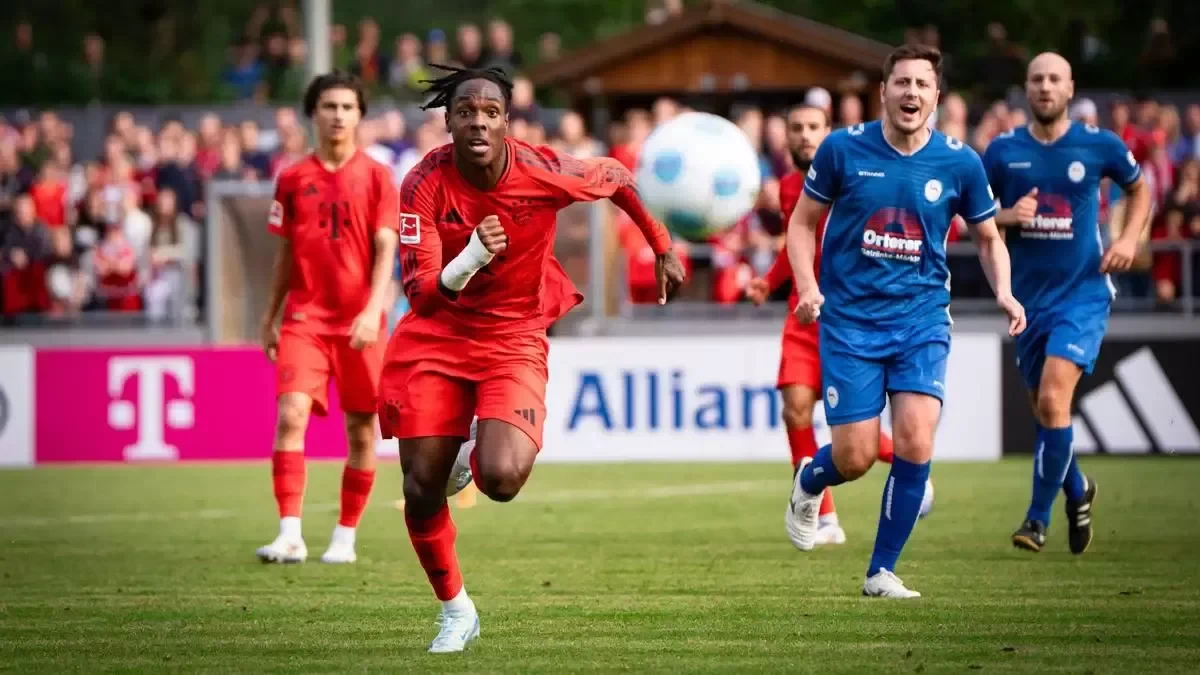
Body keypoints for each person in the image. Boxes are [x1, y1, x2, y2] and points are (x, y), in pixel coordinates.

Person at [381, 64, 685, 653]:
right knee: (420, 488)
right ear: (448, 121)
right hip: (438, 335)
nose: (477, 121)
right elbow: (419, 294)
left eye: (490, 112)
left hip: (512, 337)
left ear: (506, 123)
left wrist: (662, 245)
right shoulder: (422, 182)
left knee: (502, 479)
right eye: (465, 111)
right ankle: (455, 610)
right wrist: (469, 256)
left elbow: (618, 176)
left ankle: (471, 445)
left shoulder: (542, 168)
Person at [783, 44, 1026, 598]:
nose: (911, 93)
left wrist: (1006, 294)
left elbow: (989, 240)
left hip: (921, 320)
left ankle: (880, 572)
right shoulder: (843, 149)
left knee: (916, 439)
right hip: (850, 323)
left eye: (922, 84)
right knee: (856, 456)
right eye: (902, 83)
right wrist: (807, 286)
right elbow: (801, 224)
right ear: (884, 92)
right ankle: (810, 480)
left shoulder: (961, 162)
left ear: (936, 96)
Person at [982, 53, 1149, 554]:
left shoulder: (1098, 144)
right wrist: (1009, 214)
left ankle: (1037, 520)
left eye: (1054, 78)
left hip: (1082, 292)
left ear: (1070, 87)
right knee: (1045, 411)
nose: (1046, 86)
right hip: (1026, 300)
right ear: (1026, 89)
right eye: (1037, 79)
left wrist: (1128, 240)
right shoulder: (1001, 151)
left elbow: (1139, 190)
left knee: (1055, 399)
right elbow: (975, 216)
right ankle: (1077, 488)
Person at [746, 104, 917, 549]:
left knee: (852, 431)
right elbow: (796, 242)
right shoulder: (787, 187)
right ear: (785, 137)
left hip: (849, 315)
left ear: (830, 133)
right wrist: (769, 281)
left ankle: (909, 464)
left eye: (813, 128)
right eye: (796, 128)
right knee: (795, 409)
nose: (805, 136)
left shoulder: (855, 179)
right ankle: (822, 516)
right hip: (802, 312)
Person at [256, 71, 400, 565]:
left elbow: (387, 248)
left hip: (361, 325)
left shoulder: (379, 177)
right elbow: (284, 255)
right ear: (313, 114)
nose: (338, 115)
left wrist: (372, 310)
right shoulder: (293, 178)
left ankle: (345, 536)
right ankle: (290, 534)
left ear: (359, 115)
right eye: (329, 106)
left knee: (362, 430)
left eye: (347, 107)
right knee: (290, 415)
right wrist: (270, 316)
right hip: (305, 319)